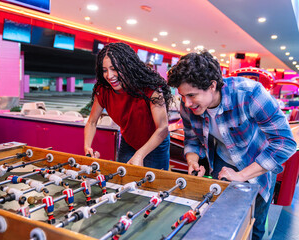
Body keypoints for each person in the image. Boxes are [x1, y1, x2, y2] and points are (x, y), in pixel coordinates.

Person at [167, 50, 297, 240]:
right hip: (222, 163)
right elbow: (192, 139)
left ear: (212, 85)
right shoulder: (188, 105)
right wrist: (192, 160)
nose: (186, 103)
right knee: (222, 218)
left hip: (257, 165)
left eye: (192, 95)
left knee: (255, 224)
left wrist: (241, 175)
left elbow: (285, 143)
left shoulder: (250, 93)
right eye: (182, 96)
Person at [84, 42, 172, 170]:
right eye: (105, 70)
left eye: (114, 69)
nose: (109, 75)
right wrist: (87, 147)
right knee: (125, 182)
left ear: (128, 66)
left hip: (155, 144)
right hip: (129, 142)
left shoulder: (151, 90)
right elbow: (92, 122)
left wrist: (140, 154)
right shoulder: (103, 90)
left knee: (153, 187)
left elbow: (163, 128)